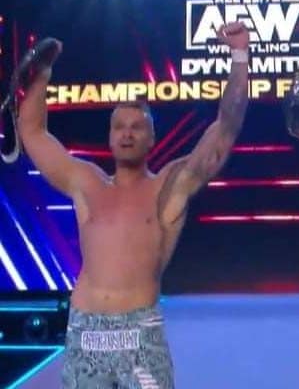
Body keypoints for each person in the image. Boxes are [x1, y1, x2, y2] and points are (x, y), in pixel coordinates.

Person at [18, 22, 250, 388]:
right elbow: (32, 132)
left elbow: (226, 128)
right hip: (85, 332)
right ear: (110, 137)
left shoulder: (169, 187)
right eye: (119, 127)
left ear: (152, 138)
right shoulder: (86, 183)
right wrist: (42, 72)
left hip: (140, 334)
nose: (127, 134)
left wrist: (240, 55)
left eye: (136, 127)